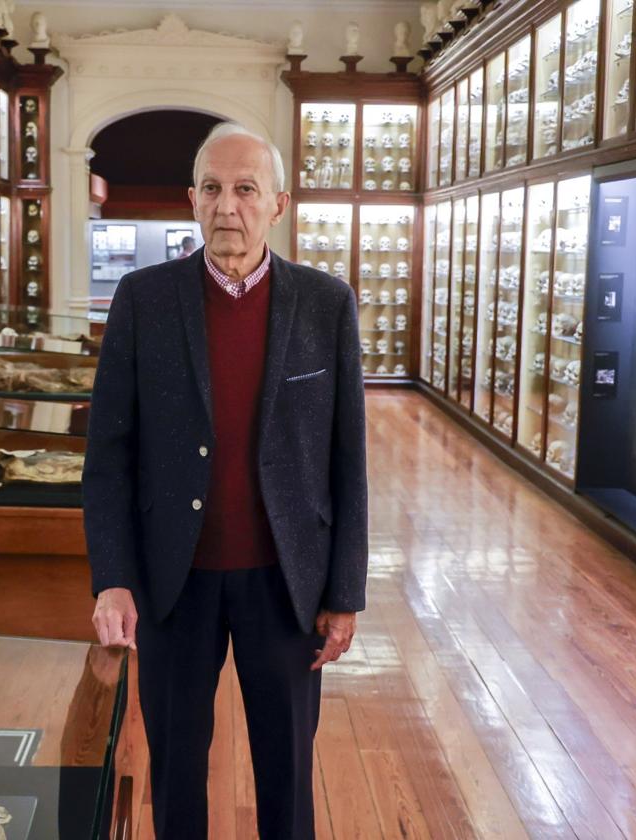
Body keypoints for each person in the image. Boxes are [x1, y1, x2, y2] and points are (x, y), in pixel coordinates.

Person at [82, 122, 367, 840]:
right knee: (174, 771)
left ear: (278, 203)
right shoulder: (143, 300)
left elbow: (347, 459)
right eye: (211, 189)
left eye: (245, 189)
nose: (226, 206)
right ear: (191, 198)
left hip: (286, 580)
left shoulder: (325, 304)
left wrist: (345, 593)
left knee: (287, 773)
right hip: (175, 582)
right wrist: (112, 576)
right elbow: (108, 453)